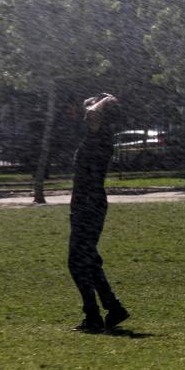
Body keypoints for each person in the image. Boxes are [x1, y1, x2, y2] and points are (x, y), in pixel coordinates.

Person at [69, 93, 129, 332]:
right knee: (88, 259)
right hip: (86, 202)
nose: (87, 107)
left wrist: (105, 99)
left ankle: (94, 315)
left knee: (77, 261)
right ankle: (112, 308)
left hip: (89, 203)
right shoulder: (95, 136)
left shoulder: (99, 136)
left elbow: (92, 113)